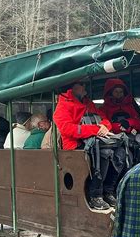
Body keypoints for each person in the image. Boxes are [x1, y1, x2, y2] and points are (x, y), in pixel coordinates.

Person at [53, 82, 123, 210]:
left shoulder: (87, 103)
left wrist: (105, 127)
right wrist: (95, 129)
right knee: (104, 153)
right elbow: (67, 129)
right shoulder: (63, 105)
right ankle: (95, 195)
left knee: (120, 152)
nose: (85, 87)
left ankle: (108, 191)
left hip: (94, 140)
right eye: (82, 85)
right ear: (73, 88)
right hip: (75, 145)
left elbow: (104, 119)